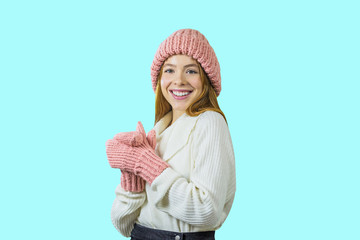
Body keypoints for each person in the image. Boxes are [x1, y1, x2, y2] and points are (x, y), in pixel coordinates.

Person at [106, 28, 236, 240]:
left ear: (207, 80)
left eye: (191, 71)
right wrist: (132, 176)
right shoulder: (158, 132)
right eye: (169, 70)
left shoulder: (210, 122)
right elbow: (124, 225)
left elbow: (207, 210)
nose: (179, 80)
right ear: (159, 79)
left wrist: (148, 166)